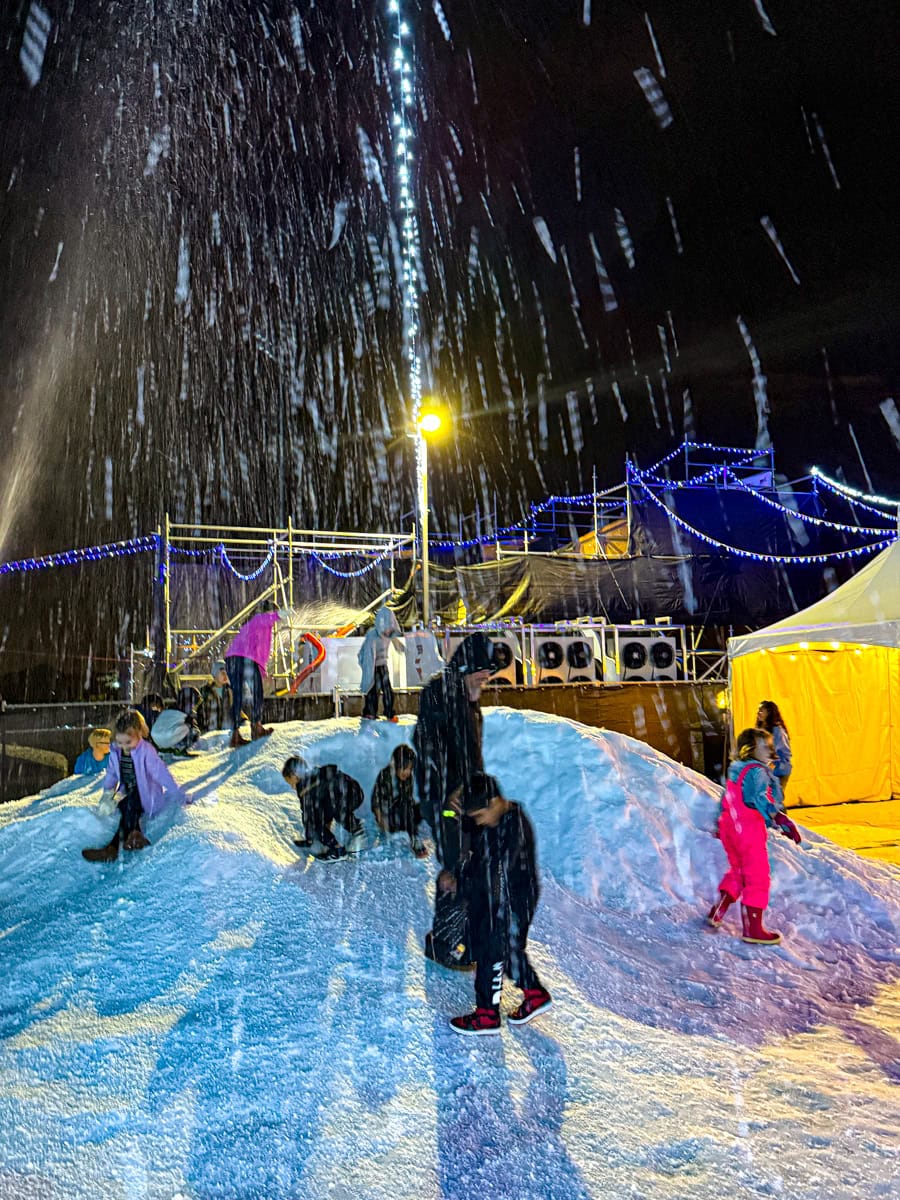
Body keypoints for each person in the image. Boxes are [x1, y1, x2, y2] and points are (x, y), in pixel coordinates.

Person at [440, 773, 551, 1036]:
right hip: (500, 896)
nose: (477, 821)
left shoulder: (512, 830)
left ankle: (487, 1016)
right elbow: (468, 832)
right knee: (506, 949)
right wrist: (450, 810)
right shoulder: (495, 817)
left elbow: (492, 876)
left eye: (479, 815)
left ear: (493, 801)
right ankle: (535, 994)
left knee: (491, 950)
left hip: (509, 900)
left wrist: (462, 884)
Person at [413, 631, 497, 967]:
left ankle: (460, 937)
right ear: (467, 667)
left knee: (469, 864)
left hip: (466, 798)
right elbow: (427, 746)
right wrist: (447, 794)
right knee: (453, 866)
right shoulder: (440, 692)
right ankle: (443, 942)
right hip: (446, 801)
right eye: (481, 674)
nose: (485, 681)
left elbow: (472, 754)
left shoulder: (469, 698)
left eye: (488, 676)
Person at [707, 726, 802, 944]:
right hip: (748, 829)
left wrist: (721, 827)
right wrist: (779, 818)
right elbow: (760, 798)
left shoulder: (737, 769)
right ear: (750, 748)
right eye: (764, 745)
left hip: (731, 827)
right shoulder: (758, 771)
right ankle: (753, 928)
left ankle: (718, 911)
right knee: (757, 876)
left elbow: (727, 798)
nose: (769, 750)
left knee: (738, 872)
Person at [82, 709, 186, 862]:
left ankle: (113, 848)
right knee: (125, 807)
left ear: (138, 734)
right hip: (127, 790)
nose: (124, 746)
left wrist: (177, 793)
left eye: (128, 742)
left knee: (131, 804)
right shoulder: (116, 752)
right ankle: (135, 835)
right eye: (120, 742)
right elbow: (112, 773)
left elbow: (160, 773)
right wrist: (107, 793)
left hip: (146, 792)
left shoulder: (146, 751)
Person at [282, 756, 367, 863]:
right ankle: (357, 831)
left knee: (315, 820)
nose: (291, 786)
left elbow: (309, 817)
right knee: (330, 809)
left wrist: (311, 837)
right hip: (355, 792)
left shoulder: (304, 787)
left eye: (290, 782)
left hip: (342, 798)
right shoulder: (317, 773)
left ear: (294, 775)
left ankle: (337, 850)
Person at [224, 603, 281, 748]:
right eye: (273, 612)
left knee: (238, 696)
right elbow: (264, 620)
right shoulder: (258, 620)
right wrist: (279, 615)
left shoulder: (254, 626)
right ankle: (256, 727)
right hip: (244, 659)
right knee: (257, 694)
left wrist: (262, 671)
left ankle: (235, 735)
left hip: (233, 659)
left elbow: (260, 652)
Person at [371, 744, 427, 858]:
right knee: (404, 807)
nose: (407, 772)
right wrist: (382, 823)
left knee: (424, 807)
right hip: (389, 819)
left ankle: (409, 828)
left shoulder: (408, 777)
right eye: (405, 768)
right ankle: (415, 841)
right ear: (397, 765)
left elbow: (408, 799)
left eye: (410, 768)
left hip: (403, 815)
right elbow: (376, 803)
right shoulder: (385, 776)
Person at [358, 604, 404, 721]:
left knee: (387, 689)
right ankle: (369, 712)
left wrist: (402, 648)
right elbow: (368, 655)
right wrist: (369, 672)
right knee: (372, 689)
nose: (388, 631)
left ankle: (389, 712)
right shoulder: (372, 635)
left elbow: (396, 642)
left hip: (382, 665)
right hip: (372, 665)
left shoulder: (389, 634)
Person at [756, 700, 792, 797]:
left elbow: (785, 753)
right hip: (765, 771)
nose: (758, 712)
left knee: (774, 800)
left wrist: (773, 763)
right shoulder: (760, 731)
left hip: (779, 770)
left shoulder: (777, 731)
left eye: (761, 710)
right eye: (758, 710)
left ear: (769, 713)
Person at [200, 661, 234, 732]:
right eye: (222, 673)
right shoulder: (205, 692)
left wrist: (244, 720)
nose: (225, 675)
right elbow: (200, 714)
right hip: (210, 733)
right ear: (215, 674)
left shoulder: (229, 691)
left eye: (226, 673)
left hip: (226, 733)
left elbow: (235, 710)